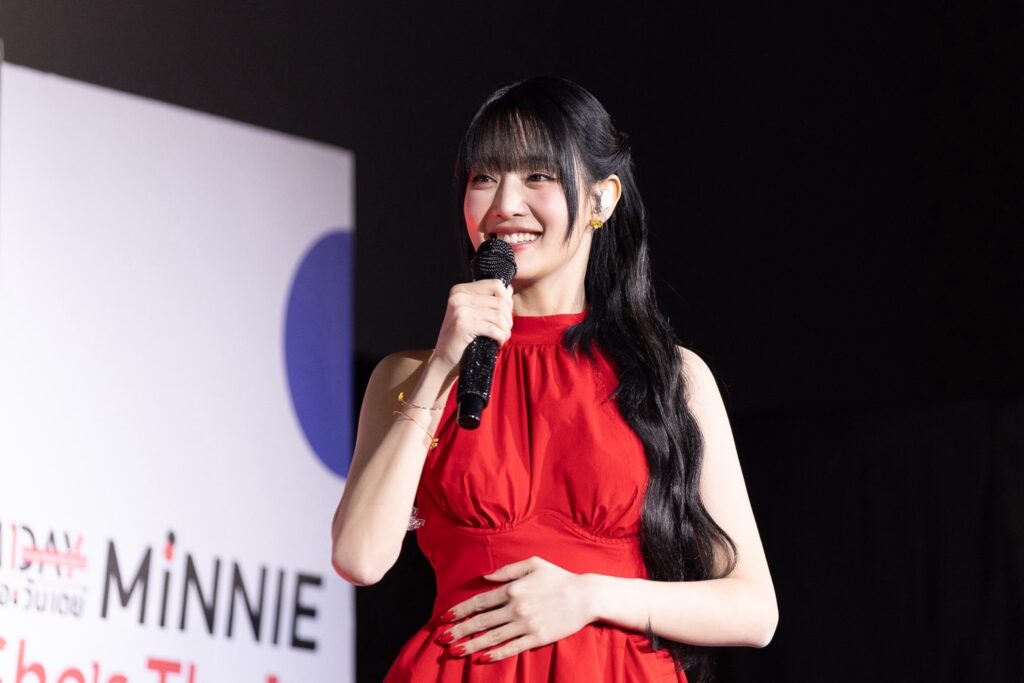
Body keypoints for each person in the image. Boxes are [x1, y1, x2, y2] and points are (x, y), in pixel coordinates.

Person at [330, 76, 778, 682]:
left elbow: (754, 610)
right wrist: (440, 369)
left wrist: (590, 595)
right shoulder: (412, 374)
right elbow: (359, 558)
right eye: (483, 178)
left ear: (602, 199)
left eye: (537, 176)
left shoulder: (670, 378)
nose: (504, 204)